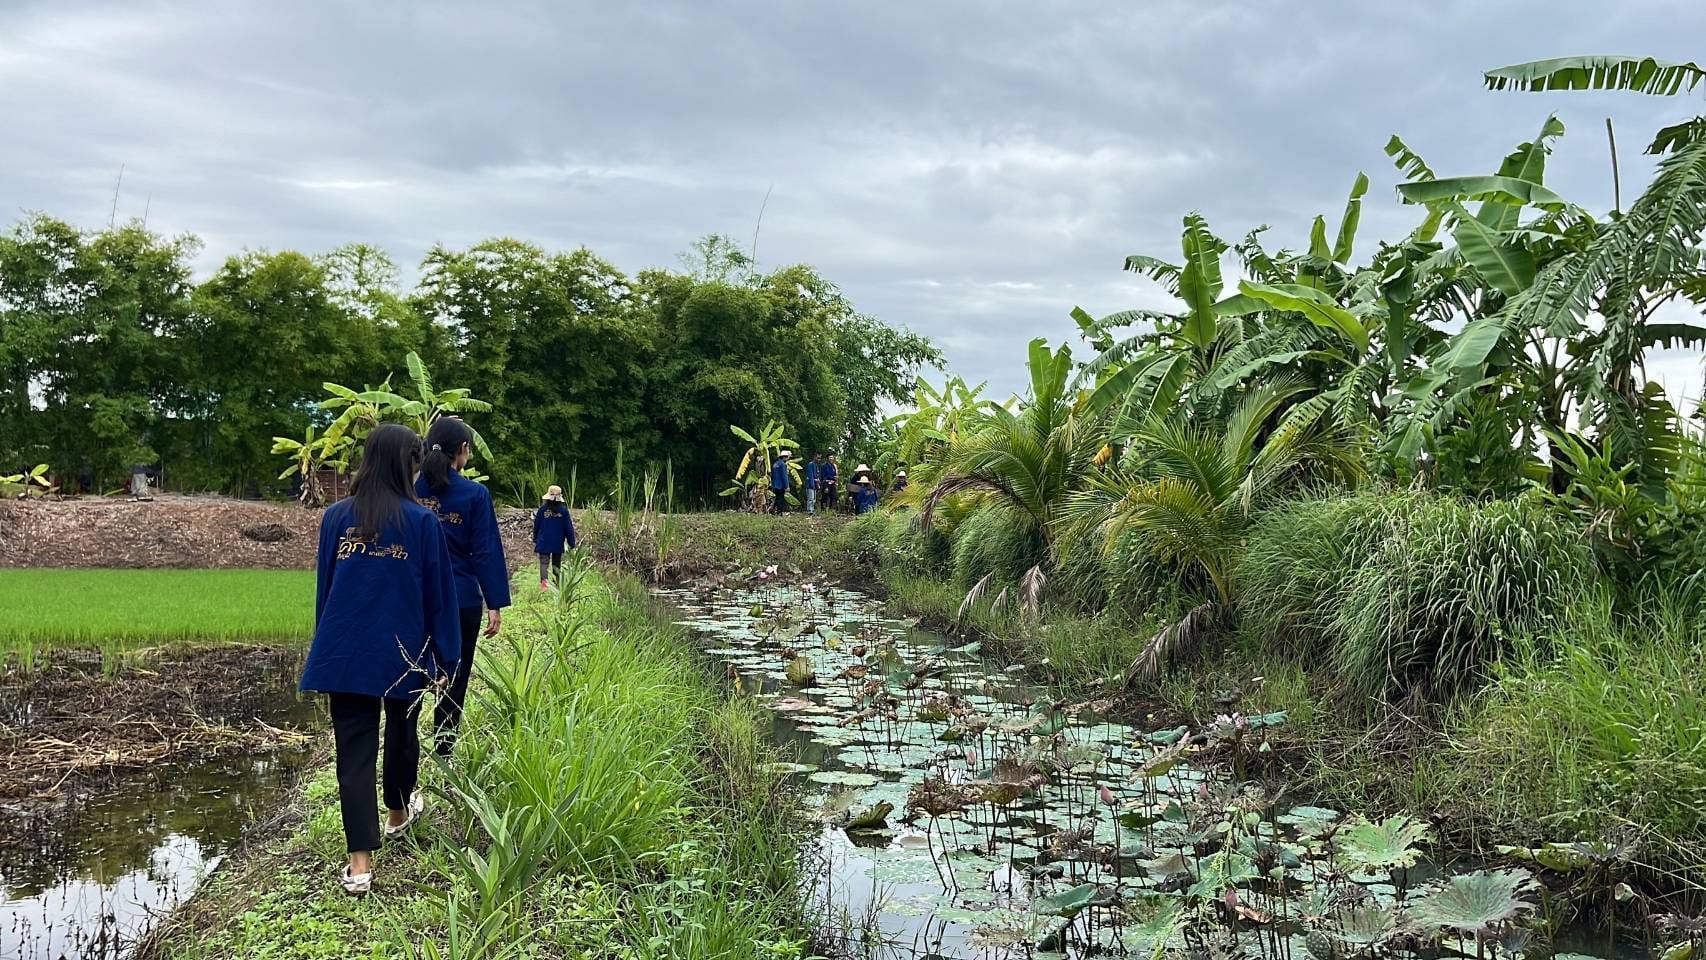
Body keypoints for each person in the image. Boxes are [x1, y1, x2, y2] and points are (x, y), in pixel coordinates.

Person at [300, 423, 460, 896]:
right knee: (402, 733)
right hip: (402, 653)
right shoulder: (422, 522)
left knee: (353, 754)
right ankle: (396, 814)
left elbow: (326, 591)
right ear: (408, 463)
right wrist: (445, 657)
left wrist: (325, 646)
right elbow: (439, 597)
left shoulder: (336, 518)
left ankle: (360, 866)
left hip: (345, 651)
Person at [415, 417, 510, 755]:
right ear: (464, 449)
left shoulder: (410, 491)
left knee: (412, 670)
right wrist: (494, 602)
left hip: (415, 598)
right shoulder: (475, 494)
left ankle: (405, 746)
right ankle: (444, 751)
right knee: (455, 674)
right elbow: (485, 551)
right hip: (461, 599)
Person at [532, 484, 576, 588]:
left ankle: (544, 586)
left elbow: (536, 525)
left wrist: (535, 538)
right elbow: (568, 528)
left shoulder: (542, 509)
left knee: (544, 563)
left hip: (544, 540)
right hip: (557, 541)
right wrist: (571, 543)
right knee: (556, 563)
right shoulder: (563, 511)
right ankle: (556, 585)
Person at [769, 449, 793, 515]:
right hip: (780, 485)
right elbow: (784, 476)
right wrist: (787, 486)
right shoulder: (783, 464)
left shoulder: (775, 464)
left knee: (777, 498)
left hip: (775, 484)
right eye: (787, 457)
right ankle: (779, 512)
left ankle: (773, 510)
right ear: (785, 457)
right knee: (781, 499)